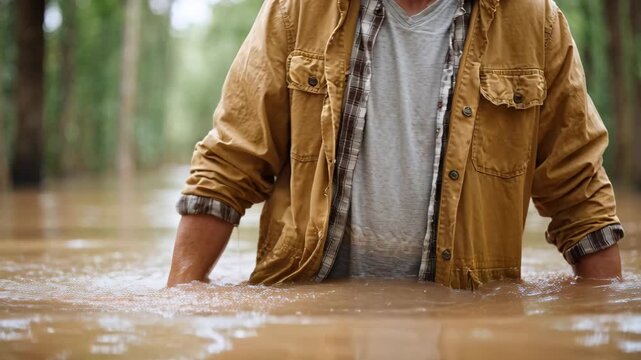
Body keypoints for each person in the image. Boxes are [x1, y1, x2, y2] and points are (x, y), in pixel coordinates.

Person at [167, 0, 624, 290]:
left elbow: (579, 198)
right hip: (309, 306)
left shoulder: (536, 23)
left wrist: (603, 323)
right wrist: (180, 299)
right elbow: (230, 162)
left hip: (464, 319)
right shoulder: (298, 10)